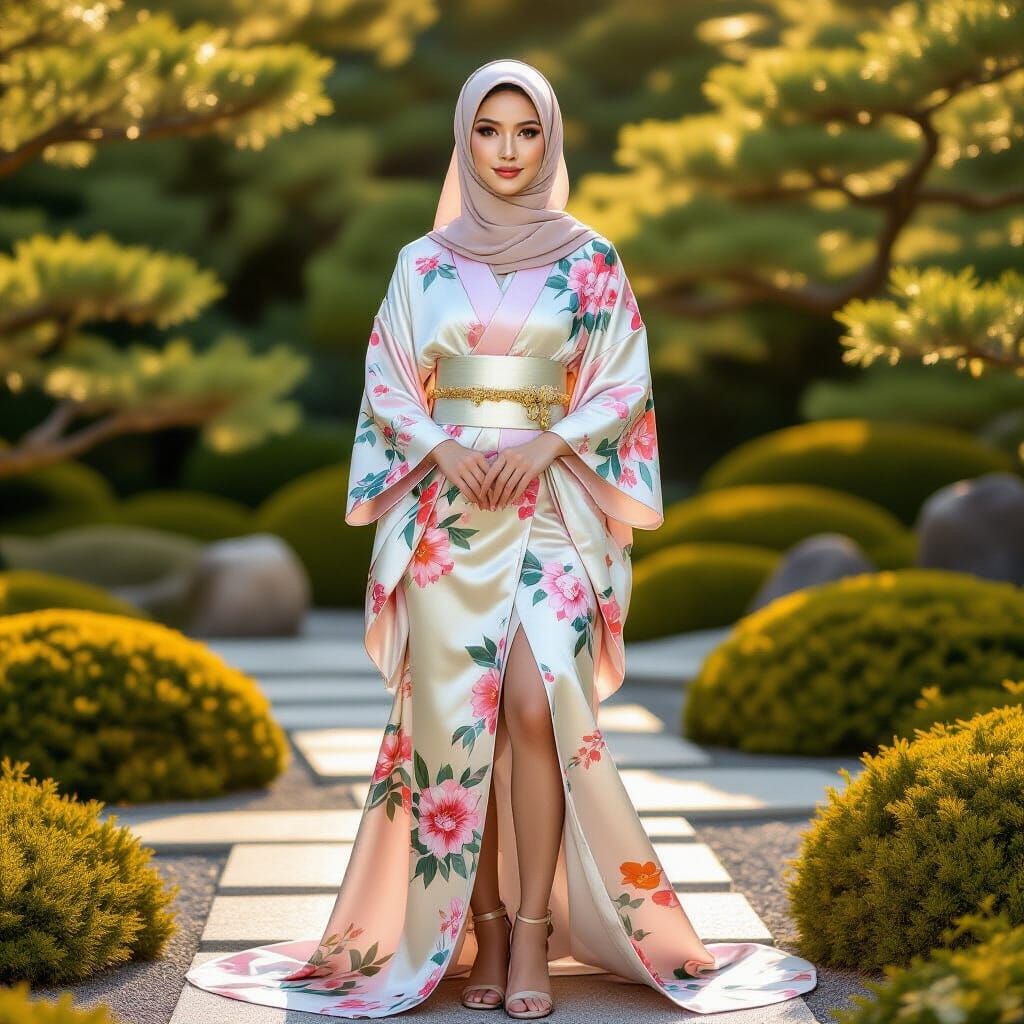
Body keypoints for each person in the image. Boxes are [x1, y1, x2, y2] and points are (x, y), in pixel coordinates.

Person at [186, 57, 817, 1020]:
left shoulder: (592, 259)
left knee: (534, 705)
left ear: (550, 138)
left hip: (554, 508)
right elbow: (389, 381)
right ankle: (477, 934)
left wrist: (545, 445)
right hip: (447, 521)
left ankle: (531, 934)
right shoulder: (421, 263)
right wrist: (442, 448)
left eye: (527, 131)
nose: (509, 150)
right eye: (489, 130)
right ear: (464, 138)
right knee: (456, 722)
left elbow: (623, 381)